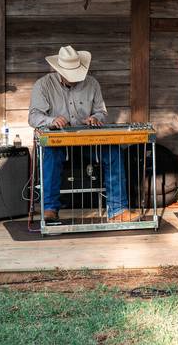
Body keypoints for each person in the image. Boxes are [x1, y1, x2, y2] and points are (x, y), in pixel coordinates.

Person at [28, 45, 128, 222]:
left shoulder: (92, 83)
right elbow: (33, 117)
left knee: (113, 152)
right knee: (50, 154)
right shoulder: (43, 85)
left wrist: (95, 118)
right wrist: (52, 121)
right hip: (58, 143)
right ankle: (50, 208)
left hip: (87, 142)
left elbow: (102, 112)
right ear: (59, 70)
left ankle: (118, 210)